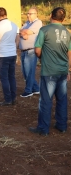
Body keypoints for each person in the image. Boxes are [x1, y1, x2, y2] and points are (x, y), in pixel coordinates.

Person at [29, 7, 71, 136]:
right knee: (62, 99)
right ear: (63, 19)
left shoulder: (44, 30)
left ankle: (43, 128)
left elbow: (37, 50)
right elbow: (70, 53)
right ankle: (61, 125)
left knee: (46, 100)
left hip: (49, 71)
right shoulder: (67, 32)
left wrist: (42, 58)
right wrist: (69, 70)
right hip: (63, 71)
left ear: (51, 15)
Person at [0, 7, 19, 106]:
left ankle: (8, 100)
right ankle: (13, 97)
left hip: (1, 56)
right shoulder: (14, 25)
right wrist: (14, 49)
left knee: (4, 78)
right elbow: (17, 40)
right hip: (12, 54)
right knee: (12, 76)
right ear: (6, 14)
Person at [19, 7, 43, 97]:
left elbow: (27, 31)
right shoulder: (26, 23)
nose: (28, 15)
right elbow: (20, 31)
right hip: (24, 51)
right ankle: (36, 88)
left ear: (36, 14)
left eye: (30, 14)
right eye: (27, 13)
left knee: (29, 72)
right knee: (25, 72)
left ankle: (28, 90)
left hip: (31, 51)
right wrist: (23, 33)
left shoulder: (38, 22)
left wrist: (23, 32)